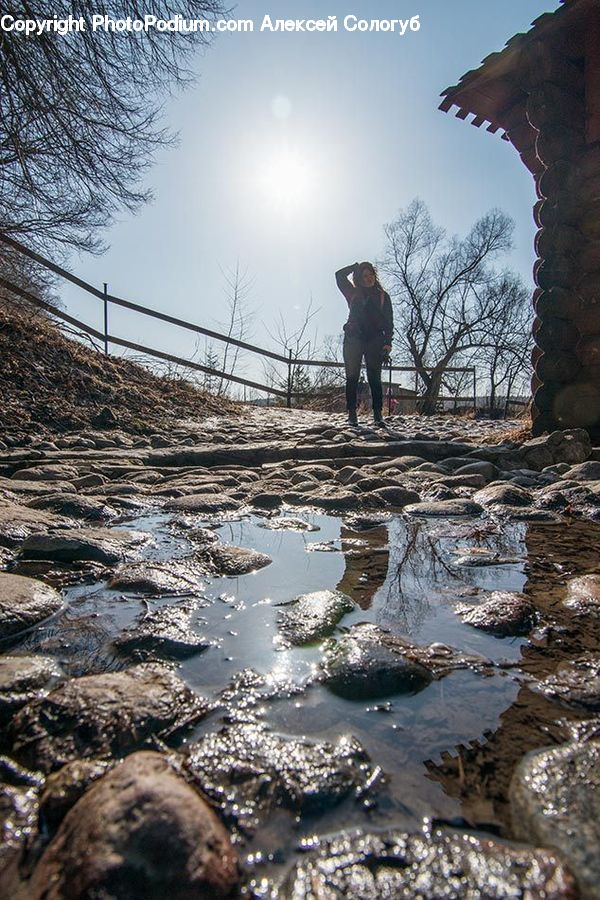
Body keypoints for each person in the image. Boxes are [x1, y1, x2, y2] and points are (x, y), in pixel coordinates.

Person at [335, 260, 393, 426]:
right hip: (354, 337)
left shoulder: (383, 296)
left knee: (374, 377)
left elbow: (389, 321)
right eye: (364, 276)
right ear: (359, 278)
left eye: (371, 275)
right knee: (351, 376)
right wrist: (354, 267)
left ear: (375, 275)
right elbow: (339, 276)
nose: (368, 278)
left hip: (375, 339)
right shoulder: (353, 293)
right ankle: (352, 414)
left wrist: (388, 342)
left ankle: (377, 415)